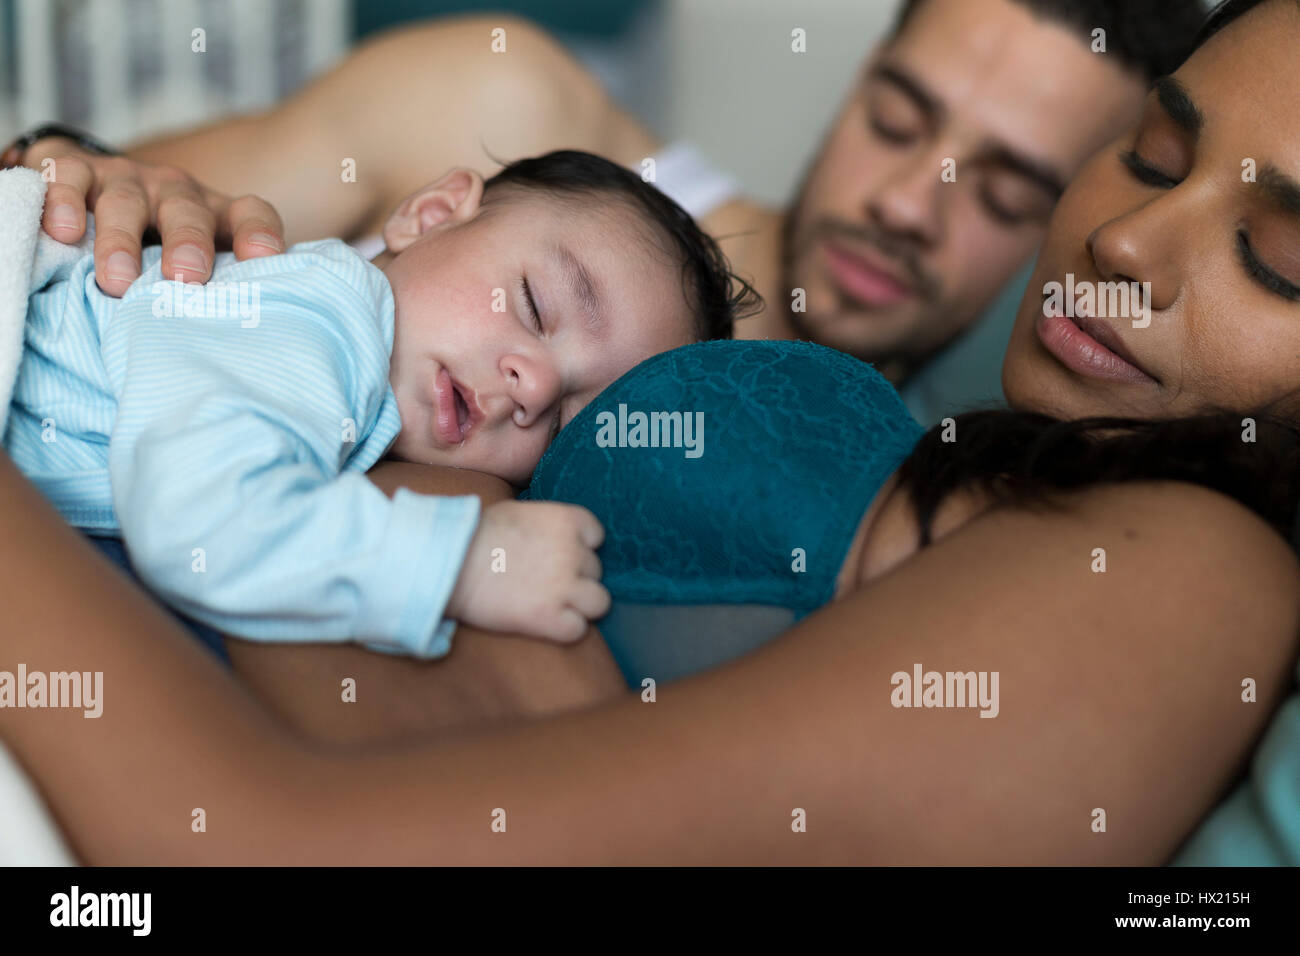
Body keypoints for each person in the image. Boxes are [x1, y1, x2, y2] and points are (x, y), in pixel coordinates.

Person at [0, 0, 1298, 866]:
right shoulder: (535, 145)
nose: (1127, 243)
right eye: (1149, 155)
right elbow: (87, 212)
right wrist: (80, 170)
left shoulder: (1163, 562)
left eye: (1278, 258)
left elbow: (265, 836)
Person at [7, 0, 1203, 394]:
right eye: (897, 118)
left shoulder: (901, 493)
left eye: (999, 191)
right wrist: (78, 171)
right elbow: (84, 186)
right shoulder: (507, 106)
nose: (904, 203)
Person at [7, 149, 752, 656]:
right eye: (530, 304)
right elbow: (201, 517)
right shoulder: (325, 312)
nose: (536, 386)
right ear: (430, 215)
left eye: (564, 424)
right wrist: (457, 564)